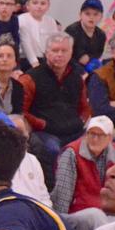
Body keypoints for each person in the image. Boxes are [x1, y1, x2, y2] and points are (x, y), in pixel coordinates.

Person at [20, 32, 91, 166]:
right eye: (55, 50)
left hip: (74, 131)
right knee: (53, 149)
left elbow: (85, 108)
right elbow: (21, 112)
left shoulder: (77, 78)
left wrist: (81, 121)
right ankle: (52, 186)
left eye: (64, 50)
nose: (60, 54)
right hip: (45, 132)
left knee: (95, 144)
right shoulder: (30, 78)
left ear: (71, 53)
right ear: (46, 52)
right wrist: (42, 124)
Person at [52, 117, 115, 215]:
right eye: (92, 133)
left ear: (110, 138)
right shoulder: (71, 153)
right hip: (78, 215)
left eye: (100, 135)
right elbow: (62, 195)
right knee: (95, 215)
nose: (95, 139)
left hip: (109, 214)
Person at [18, 0, 59, 70]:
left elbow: (54, 43)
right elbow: (26, 44)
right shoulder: (22, 19)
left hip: (46, 59)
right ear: (28, 5)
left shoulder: (51, 21)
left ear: (48, 6)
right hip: (26, 60)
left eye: (43, 3)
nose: (39, 6)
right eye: (35, 3)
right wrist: (35, 64)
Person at [64, 0, 106, 72]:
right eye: (87, 13)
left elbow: (98, 54)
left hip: (91, 68)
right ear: (80, 15)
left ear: (101, 17)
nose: (91, 17)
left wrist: (89, 59)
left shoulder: (101, 35)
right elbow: (65, 55)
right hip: (70, 69)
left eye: (96, 14)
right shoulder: (71, 31)